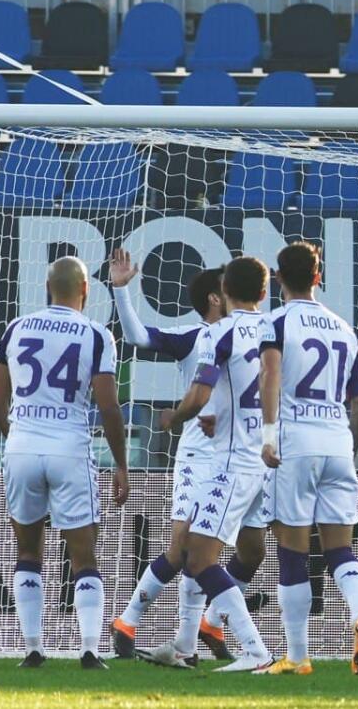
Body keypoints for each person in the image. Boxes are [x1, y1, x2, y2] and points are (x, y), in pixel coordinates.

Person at [109, 252, 254, 661]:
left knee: (231, 549)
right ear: (215, 297)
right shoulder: (195, 336)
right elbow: (139, 337)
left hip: (239, 455)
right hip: (199, 454)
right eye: (227, 287)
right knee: (183, 546)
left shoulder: (249, 336)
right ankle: (129, 620)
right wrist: (121, 290)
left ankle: (192, 637)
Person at [0, 256, 129, 669]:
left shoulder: (17, 327)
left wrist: (18, 441)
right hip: (70, 450)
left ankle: (32, 649)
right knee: (84, 556)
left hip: (22, 447)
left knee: (27, 552)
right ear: (86, 290)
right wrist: (120, 465)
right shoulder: (97, 334)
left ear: (48, 288)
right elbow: (108, 407)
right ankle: (88, 650)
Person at [135, 257, 273, 672]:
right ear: (264, 294)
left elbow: (198, 394)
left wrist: (174, 418)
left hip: (230, 463)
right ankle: (185, 644)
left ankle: (255, 651)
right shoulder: (274, 328)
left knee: (199, 557)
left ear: (224, 291)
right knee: (248, 549)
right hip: (263, 460)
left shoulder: (220, 332)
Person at [253, 241, 358, 675]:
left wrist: (269, 437)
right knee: (341, 549)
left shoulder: (276, 323)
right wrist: (349, 449)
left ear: (278, 280)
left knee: (292, 553)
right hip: (338, 442)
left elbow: (270, 373)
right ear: (318, 277)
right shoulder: (343, 327)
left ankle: (298, 656)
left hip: (296, 444)